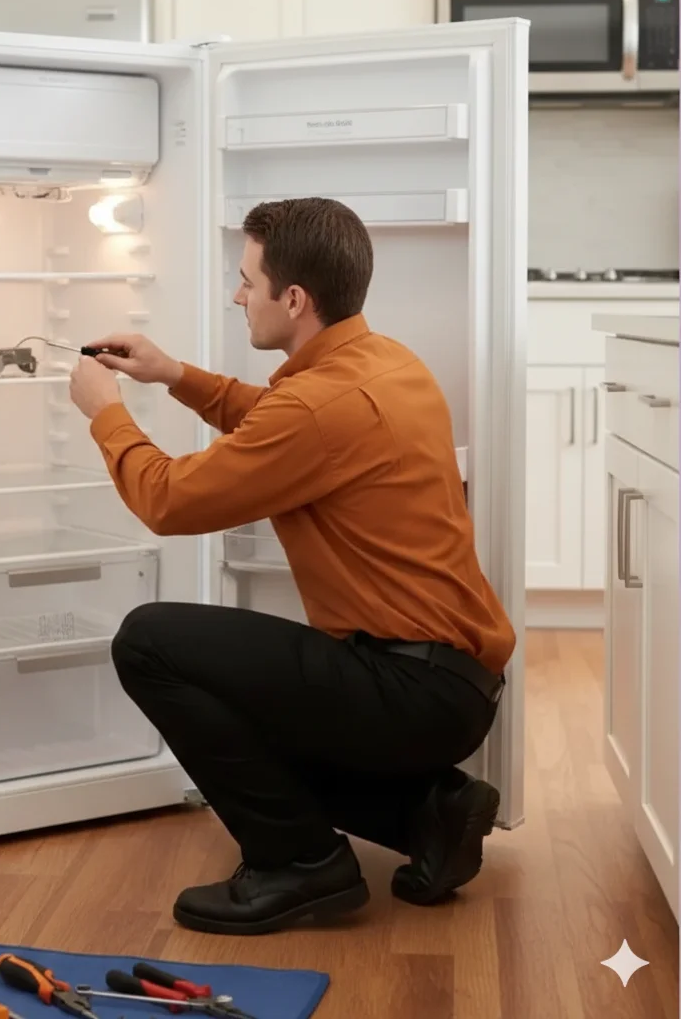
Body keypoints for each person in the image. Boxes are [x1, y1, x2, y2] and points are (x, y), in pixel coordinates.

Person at [67, 196, 516, 937]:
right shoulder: (379, 360)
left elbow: (169, 501)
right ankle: (429, 815)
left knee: (151, 641)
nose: (238, 295)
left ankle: (300, 863)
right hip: (450, 682)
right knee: (245, 692)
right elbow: (275, 418)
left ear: (295, 298)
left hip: (408, 688)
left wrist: (105, 413)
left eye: (248, 280)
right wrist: (173, 374)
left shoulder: (319, 404)